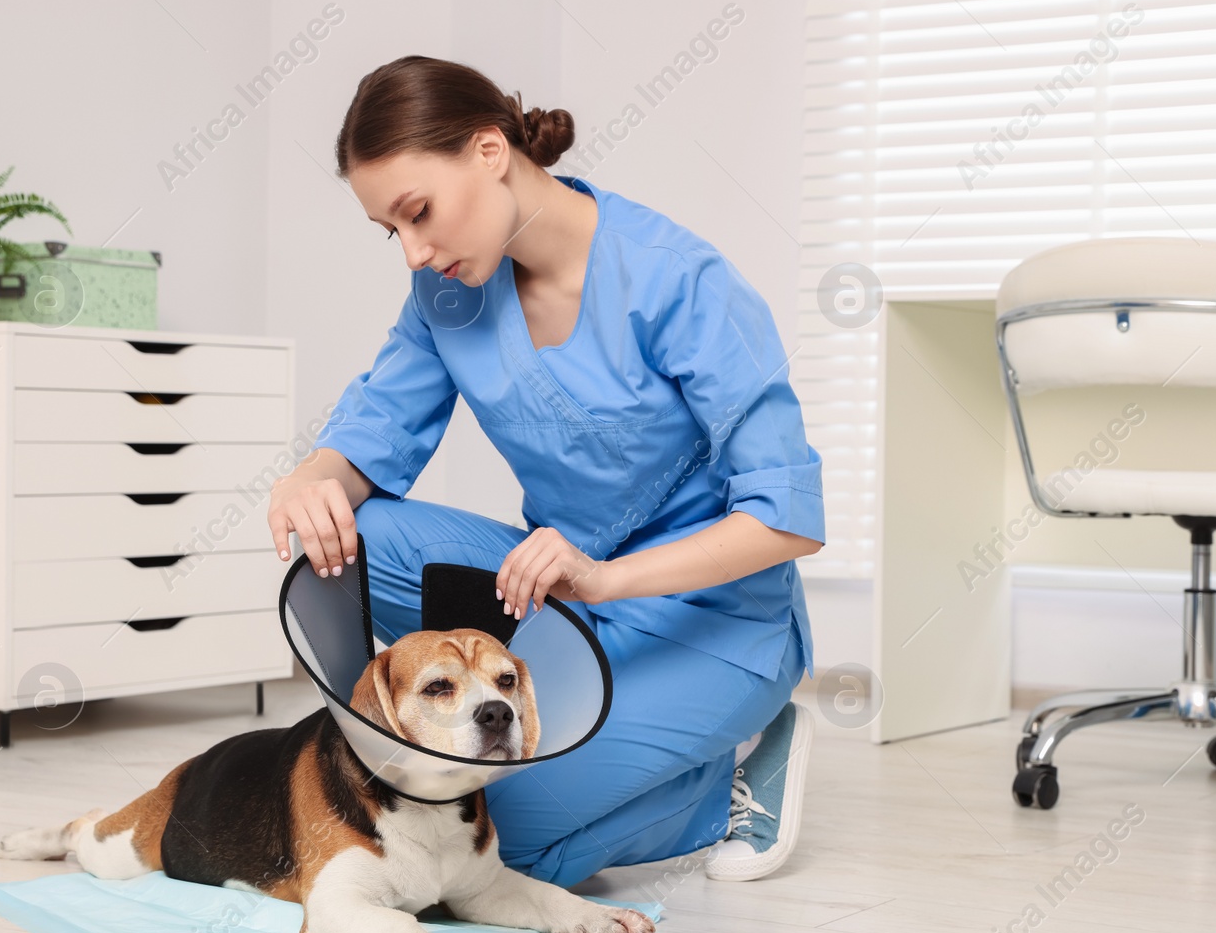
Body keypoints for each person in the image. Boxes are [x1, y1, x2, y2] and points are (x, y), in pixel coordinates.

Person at [267, 54, 825, 887]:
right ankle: (516, 731)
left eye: (419, 213)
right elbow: (370, 433)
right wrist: (305, 479)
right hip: (557, 594)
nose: (415, 253)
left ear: (490, 151)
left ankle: (727, 776)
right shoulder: (449, 294)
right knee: (350, 538)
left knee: (492, 844)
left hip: (714, 621)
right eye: (394, 231)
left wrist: (604, 578)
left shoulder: (679, 282)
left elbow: (789, 519)